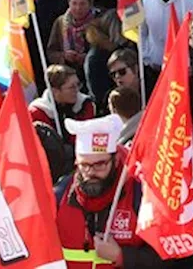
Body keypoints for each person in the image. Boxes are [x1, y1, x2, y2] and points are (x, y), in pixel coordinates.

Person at [55, 114, 159, 268]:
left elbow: (170, 258)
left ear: (115, 160)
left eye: (100, 164)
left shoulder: (140, 193)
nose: (91, 173)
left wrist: (122, 256)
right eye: (84, 165)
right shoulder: (60, 195)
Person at [29, 64, 96, 144]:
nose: (77, 90)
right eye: (71, 87)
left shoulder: (84, 105)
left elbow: (84, 136)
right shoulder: (38, 111)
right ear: (55, 91)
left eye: (78, 85)